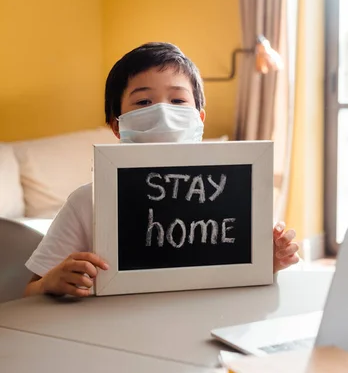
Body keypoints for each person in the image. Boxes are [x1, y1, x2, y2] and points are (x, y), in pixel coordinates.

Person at [24, 42, 299, 297]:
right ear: (116, 124)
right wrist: (51, 283)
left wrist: (269, 262)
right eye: (143, 102)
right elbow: (30, 291)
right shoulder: (87, 202)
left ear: (199, 118)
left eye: (178, 101)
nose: (163, 113)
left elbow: (237, 276)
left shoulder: (232, 194)